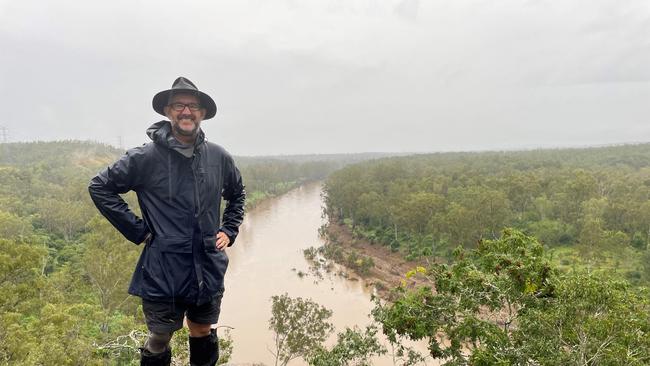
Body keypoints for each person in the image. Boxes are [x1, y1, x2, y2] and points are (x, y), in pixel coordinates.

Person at [89, 77, 245, 366]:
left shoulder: (218, 156)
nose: (187, 111)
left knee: (202, 330)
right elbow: (100, 187)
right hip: (163, 270)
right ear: (167, 111)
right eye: (179, 105)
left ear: (203, 113)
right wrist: (139, 231)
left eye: (193, 106)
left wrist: (229, 228)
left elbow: (238, 194)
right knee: (160, 336)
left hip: (207, 266)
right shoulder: (144, 157)